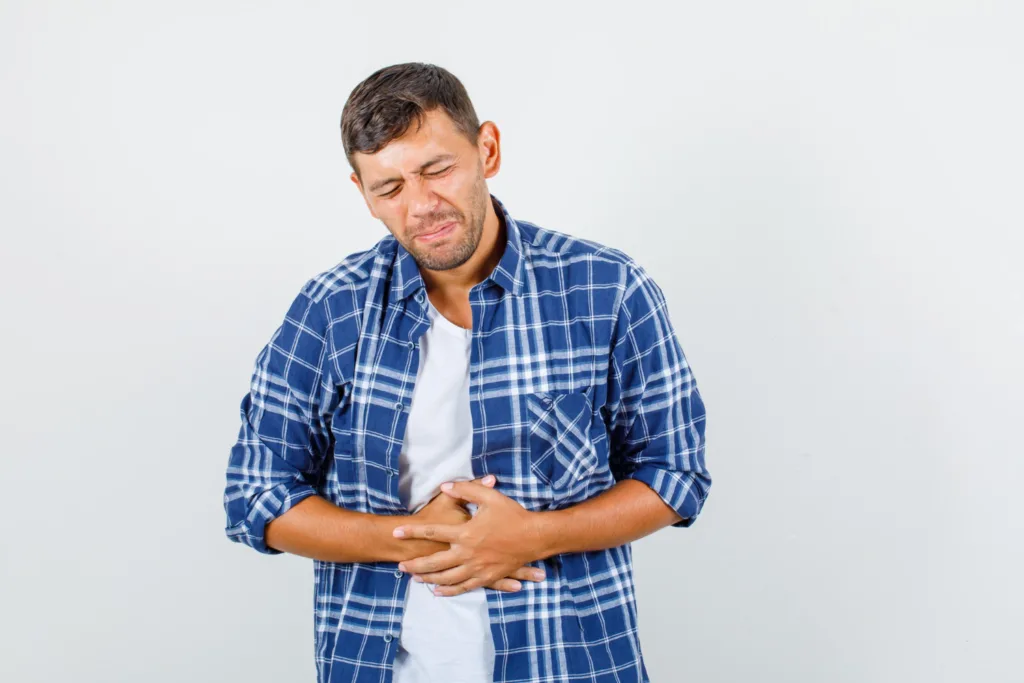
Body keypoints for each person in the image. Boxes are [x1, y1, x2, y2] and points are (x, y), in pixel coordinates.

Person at [223, 62, 711, 683]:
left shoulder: (606, 287)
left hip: (571, 664)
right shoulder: (329, 310)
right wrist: (414, 537)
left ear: (487, 148)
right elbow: (256, 496)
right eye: (389, 187)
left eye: (437, 169)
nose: (422, 206)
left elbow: (675, 475)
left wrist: (535, 536)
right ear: (361, 192)